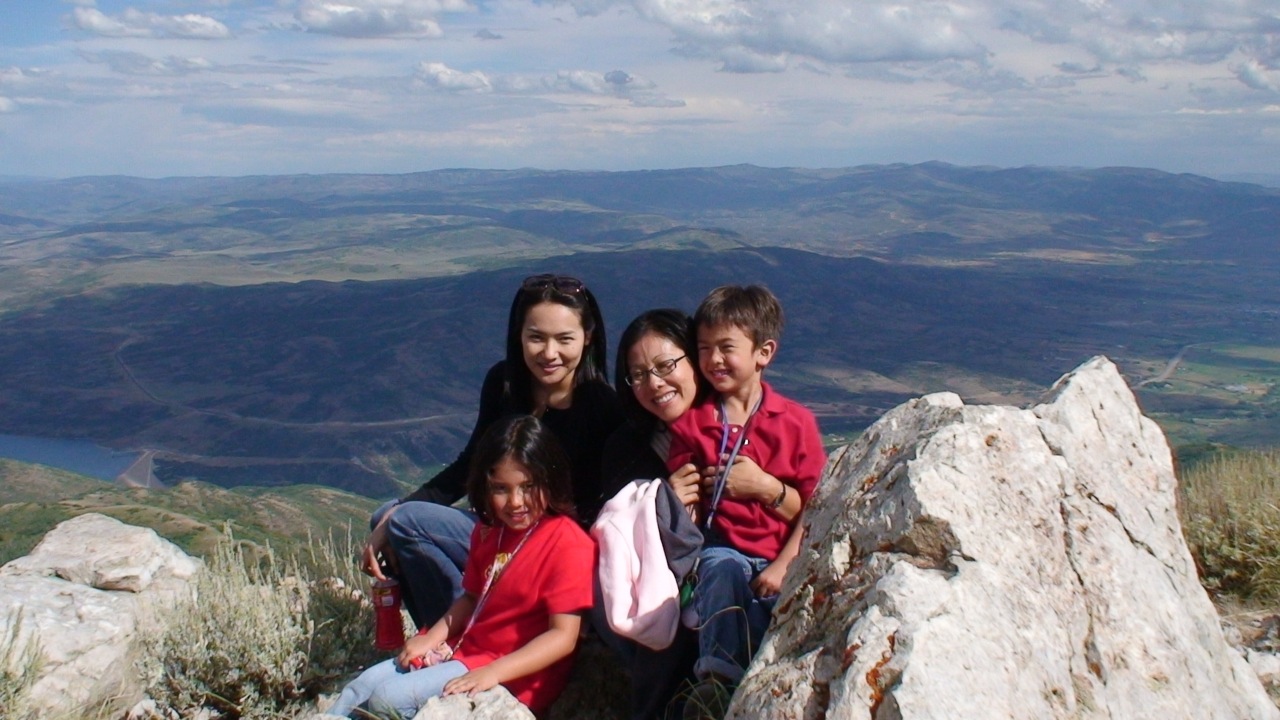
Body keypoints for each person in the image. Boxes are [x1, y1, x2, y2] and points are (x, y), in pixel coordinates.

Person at [362, 274, 623, 628]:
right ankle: (448, 628)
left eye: (564, 339)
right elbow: (471, 466)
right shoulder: (506, 384)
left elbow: (593, 507)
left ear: (587, 338)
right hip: (498, 529)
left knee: (406, 522)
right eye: (536, 338)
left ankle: (460, 637)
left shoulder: (601, 407)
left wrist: (404, 518)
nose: (549, 353)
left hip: (549, 548)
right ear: (519, 336)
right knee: (387, 514)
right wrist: (397, 513)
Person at [329, 414, 597, 718]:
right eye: (501, 489)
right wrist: (431, 638)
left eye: (528, 486)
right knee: (360, 688)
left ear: (551, 479)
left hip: (510, 671)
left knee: (388, 700)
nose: (516, 502)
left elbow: (563, 636)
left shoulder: (566, 543)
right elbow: (471, 598)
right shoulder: (490, 532)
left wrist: (493, 672)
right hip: (463, 650)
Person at [665, 285, 826, 715]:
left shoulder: (795, 424)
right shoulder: (693, 425)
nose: (713, 360)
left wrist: (765, 494)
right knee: (722, 570)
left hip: (781, 556)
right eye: (704, 348)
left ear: (763, 352)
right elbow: (686, 507)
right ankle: (717, 683)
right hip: (721, 551)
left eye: (726, 347)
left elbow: (816, 509)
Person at [598, 309, 709, 719]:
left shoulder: (736, 429)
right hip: (659, 587)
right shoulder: (626, 447)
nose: (655, 384)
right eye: (639, 374)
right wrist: (664, 502)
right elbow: (618, 538)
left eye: (665, 366)